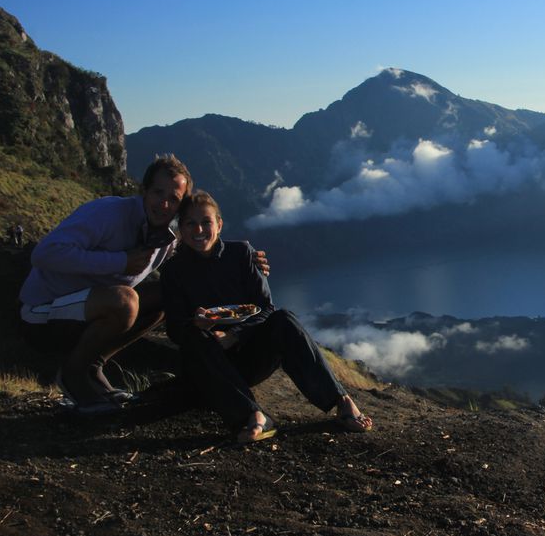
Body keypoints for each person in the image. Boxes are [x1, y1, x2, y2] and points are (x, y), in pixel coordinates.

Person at [19, 155, 269, 414]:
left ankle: (92, 367)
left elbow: (202, 251)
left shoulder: (168, 237)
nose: (164, 204)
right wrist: (119, 262)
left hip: (88, 310)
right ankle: (73, 375)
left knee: (168, 294)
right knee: (125, 302)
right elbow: (44, 253)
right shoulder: (108, 213)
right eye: (158, 193)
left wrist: (245, 260)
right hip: (42, 313)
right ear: (144, 191)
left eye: (174, 199)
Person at [162, 191, 372, 443]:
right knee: (195, 338)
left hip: (248, 356)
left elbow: (266, 308)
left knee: (284, 319)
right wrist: (196, 324)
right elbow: (174, 327)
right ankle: (254, 416)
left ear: (219, 224)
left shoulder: (241, 254)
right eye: (190, 223)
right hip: (207, 362)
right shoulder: (174, 270)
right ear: (181, 229)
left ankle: (340, 399)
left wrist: (234, 336)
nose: (199, 229)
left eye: (206, 222)